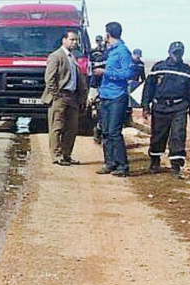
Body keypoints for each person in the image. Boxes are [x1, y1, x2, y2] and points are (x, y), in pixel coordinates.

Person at [142, 41, 190, 178]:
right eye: (175, 52)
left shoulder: (188, 71)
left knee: (178, 136)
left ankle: (176, 166)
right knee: (158, 135)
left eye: (179, 53)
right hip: (160, 107)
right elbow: (148, 87)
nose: (177, 55)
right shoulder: (158, 67)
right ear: (169, 52)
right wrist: (145, 106)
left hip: (179, 108)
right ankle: (155, 162)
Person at [92, 21, 133, 176]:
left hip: (117, 96)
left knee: (115, 132)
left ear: (108, 35)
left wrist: (105, 73)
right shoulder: (110, 51)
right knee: (106, 131)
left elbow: (128, 74)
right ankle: (110, 163)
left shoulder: (123, 52)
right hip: (106, 95)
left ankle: (123, 166)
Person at [41, 28, 88, 165]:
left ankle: (67, 155)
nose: (74, 43)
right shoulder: (56, 56)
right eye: (72, 40)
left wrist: (81, 96)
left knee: (72, 128)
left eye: (76, 40)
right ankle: (57, 156)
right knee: (57, 126)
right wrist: (56, 95)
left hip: (72, 97)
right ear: (64, 40)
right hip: (60, 96)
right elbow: (49, 79)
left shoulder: (73, 57)